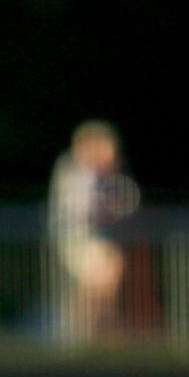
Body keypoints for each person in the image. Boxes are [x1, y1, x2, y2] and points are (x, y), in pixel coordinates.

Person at [46, 120, 141, 340]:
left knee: (102, 278)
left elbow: (119, 206)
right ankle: (86, 327)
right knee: (103, 274)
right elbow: (83, 209)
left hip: (89, 238)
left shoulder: (96, 174)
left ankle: (88, 327)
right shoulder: (75, 169)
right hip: (76, 238)